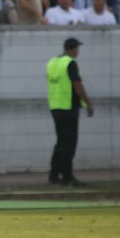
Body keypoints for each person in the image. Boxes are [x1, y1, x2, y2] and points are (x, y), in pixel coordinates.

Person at [47, 38, 93, 187]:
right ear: (72, 49)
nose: (78, 51)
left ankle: (54, 174)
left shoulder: (52, 62)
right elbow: (78, 85)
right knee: (69, 143)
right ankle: (67, 176)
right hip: (69, 107)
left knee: (60, 142)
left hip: (55, 107)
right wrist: (87, 103)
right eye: (77, 48)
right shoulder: (70, 63)